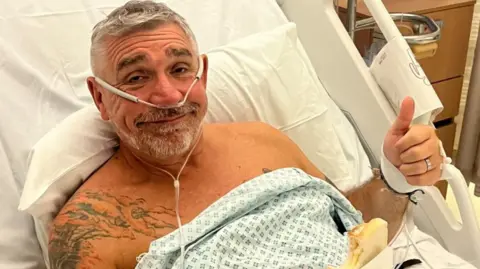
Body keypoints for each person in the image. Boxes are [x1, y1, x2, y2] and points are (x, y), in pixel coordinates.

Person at [47, 1, 469, 269]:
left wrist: (395, 176)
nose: (169, 95)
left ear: (203, 76)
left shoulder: (262, 140)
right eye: (137, 77)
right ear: (100, 98)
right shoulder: (92, 232)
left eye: (179, 69)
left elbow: (352, 223)